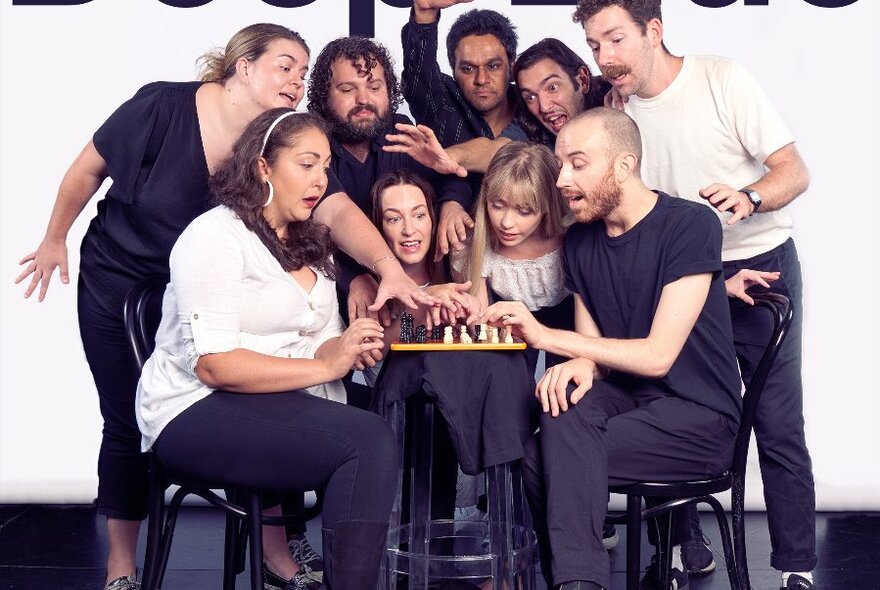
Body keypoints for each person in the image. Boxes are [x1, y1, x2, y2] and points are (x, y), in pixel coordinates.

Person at [13, 24, 429, 590]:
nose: (296, 80)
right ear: (241, 65)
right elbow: (89, 169)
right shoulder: (166, 112)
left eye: (302, 73)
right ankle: (120, 567)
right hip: (124, 277)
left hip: (213, 297)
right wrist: (55, 237)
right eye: (286, 66)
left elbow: (335, 212)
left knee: (297, 401)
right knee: (123, 419)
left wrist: (388, 271)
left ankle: (278, 550)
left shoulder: (268, 147)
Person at [575, 2, 815, 588]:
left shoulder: (720, 78)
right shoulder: (617, 112)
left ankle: (796, 568)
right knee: (663, 400)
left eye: (614, 40)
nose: (604, 58)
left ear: (653, 31)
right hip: (681, 277)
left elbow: (794, 170)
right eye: (594, 45)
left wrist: (749, 197)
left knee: (776, 420)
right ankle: (685, 543)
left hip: (757, 270)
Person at [482, 108, 743, 590]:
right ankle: (579, 583)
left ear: (623, 166)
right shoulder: (581, 241)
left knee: (549, 457)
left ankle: (575, 583)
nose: (562, 180)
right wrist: (577, 365)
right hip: (628, 402)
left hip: (700, 421)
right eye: (561, 165)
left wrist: (542, 335)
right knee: (559, 406)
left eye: (578, 163)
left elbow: (658, 356)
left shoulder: (690, 225)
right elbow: (593, 355)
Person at [136, 110, 397, 590]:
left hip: (274, 399)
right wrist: (326, 363)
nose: (320, 179)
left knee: (394, 409)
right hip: (193, 409)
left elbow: (320, 337)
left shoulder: (310, 241)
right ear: (263, 167)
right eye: (306, 164)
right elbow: (214, 365)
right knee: (366, 440)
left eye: (325, 167)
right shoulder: (215, 236)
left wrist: (350, 342)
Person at [306, 36, 473, 323]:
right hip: (326, 294)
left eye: (374, 87)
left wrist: (452, 205)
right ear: (324, 96)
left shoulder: (402, 133)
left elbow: (452, 179)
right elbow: (301, 231)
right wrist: (353, 276)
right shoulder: (310, 146)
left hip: (407, 295)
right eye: (348, 89)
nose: (364, 100)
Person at [395, 0, 528, 259]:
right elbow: (419, 74)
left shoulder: (532, 106)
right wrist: (425, 13)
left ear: (511, 66)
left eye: (493, 66)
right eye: (467, 68)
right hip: (457, 262)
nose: (481, 80)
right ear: (453, 70)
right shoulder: (442, 101)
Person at [454, 141, 572, 375]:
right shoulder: (475, 244)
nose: (506, 223)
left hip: (570, 328)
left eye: (524, 211)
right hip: (506, 330)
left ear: (547, 206)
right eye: (497, 205)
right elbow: (479, 326)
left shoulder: (573, 239)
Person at [365, 168, 482, 386]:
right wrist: (426, 300)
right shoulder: (367, 286)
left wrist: (471, 315)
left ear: (432, 219)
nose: (409, 230)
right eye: (393, 219)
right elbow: (371, 356)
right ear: (377, 227)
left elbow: (484, 341)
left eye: (419, 215)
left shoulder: (457, 267)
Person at [513, 37, 609, 148]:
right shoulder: (531, 142)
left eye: (552, 88)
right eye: (530, 97)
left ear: (582, 80)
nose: (544, 107)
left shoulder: (620, 106)